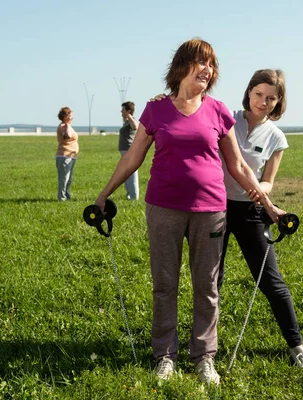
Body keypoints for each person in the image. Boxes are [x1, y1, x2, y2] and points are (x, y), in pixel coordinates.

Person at [93, 38, 284, 385]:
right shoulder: (156, 110)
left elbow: (239, 167)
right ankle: (165, 356)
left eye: (211, 64)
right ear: (182, 66)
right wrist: (103, 194)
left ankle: (204, 357)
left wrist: (268, 204)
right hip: (163, 208)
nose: (207, 70)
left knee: (207, 286)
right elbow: (133, 158)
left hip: (211, 209)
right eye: (201, 62)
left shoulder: (218, 110)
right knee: (164, 284)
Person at [217, 69, 303, 368]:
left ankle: (296, 346)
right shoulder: (224, 118)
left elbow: (268, 180)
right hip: (214, 207)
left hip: (252, 211)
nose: (263, 101)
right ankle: (205, 344)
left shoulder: (276, 137)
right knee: (211, 280)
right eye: (258, 94)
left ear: (278, 102)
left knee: (271, 281)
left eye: (270, 98)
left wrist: (261, 193)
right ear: (248, 92)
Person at [56, 106, 78, 201]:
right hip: (64, 155)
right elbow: (68, 136)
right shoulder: (63, 126)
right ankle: (62, 197)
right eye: (70, 116)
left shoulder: (67, 126)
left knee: (69, 178)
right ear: (65, 117)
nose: (72, 118)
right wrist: (68, 125)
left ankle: (67, 194)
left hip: (71, 156)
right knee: (64, 178)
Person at [118, 101, 139, 200]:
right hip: (124, 151)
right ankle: (129, 194)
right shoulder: (126, 122)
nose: (121, 112)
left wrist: (129, 116)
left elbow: (135, 127)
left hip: (129, 151)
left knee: (131, 174)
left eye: (123, 110)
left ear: (128, 110)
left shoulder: (132, 120)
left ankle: (134, 196)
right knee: (125, 174)